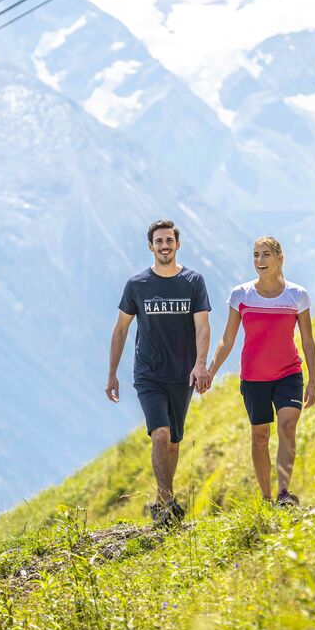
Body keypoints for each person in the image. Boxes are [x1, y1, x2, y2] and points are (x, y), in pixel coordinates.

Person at [107, 219, 211, 526]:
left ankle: (161, 499)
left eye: (169, 241)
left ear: (177, 244)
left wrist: (200, 364)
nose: (164, 246)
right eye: (159, 241)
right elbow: (121, 329)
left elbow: (202, 326)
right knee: (160, 433)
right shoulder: (137, 285)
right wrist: (112, 374)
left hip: (183, 374)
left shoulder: (193, 281)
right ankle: (167, 502)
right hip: (149, 374)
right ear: (150, 247)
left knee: (174, 441)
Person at [206, 236, 315, 506]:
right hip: (254, 377)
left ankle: (283, 494)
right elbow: (227, 339)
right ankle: (267, 498)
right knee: (260, 436)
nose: (259, 260)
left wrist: (313, 380)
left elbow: (307, 341)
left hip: (289, 374)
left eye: (266, 254)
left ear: (280, 258)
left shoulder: (297, 295)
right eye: (255, 255)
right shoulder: (241, 295)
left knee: (287, 426)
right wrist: (211, 371)